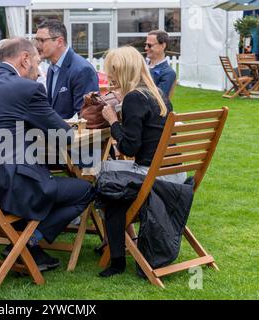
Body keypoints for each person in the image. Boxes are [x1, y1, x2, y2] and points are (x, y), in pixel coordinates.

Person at [0, 37, 94, 271]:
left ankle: (25, 242)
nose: (39, 68)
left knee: (29, 171)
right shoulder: (27, 88)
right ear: (24, 59)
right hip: (2, 192)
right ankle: (29, 242)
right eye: (37, 60)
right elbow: (64, 135)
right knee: (84, 189)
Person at [97, 46, 186, 277]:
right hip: (174, 173)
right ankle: (122, 244)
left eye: (112, 72)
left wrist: (113, 121)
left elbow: (128, 148)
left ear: (123, 71)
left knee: (105, 184)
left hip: (153, 177)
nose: (110, 77)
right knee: (111, 181)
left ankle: (116, 258)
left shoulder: (134, 98)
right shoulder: (157, 93)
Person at [35, 19, 99, 119]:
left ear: (60, 41)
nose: (37, 45)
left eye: (42, 40)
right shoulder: (52, 68)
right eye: (37, 40)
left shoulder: (82, 70)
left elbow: (85, 117)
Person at [145, 30, 176, 98]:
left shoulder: (168, 72)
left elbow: (158, 98)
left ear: (163, 46)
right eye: (146, 44)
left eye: (149, 45)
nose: (146, 48)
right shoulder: (140, 65)